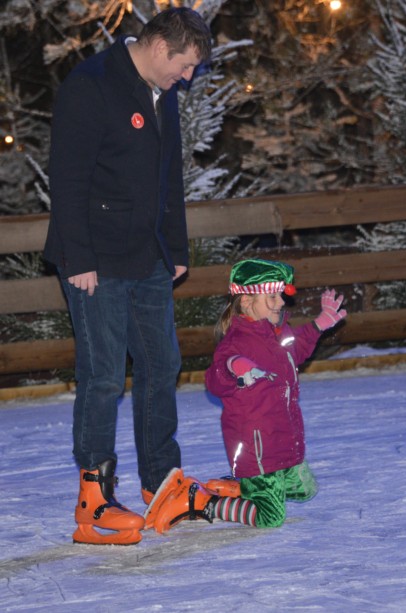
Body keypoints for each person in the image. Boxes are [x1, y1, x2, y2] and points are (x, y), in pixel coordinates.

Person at [43, 8, 213, 545]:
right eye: (185, 66)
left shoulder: (161, 93)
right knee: (102, 377)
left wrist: (177, 246)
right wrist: (79, 257)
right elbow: (67, 179)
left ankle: (162, 483)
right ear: (162, 48)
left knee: (163, 364)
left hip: (149, 258)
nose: (186, 78)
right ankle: (94, 500)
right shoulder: (90, 86)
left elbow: (168, 176)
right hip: (95, 260)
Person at [143, 258, 347, 533]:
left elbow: (295, 349)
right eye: (271, 296)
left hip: (284, 440)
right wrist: (234, 366)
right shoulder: (237, 341)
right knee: (271, 516)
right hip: (257, 448)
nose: (279, 303)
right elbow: (215, 378)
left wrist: (320, 324)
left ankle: (241, 488)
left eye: (280, 295)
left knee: (306, 489)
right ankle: (201, 502)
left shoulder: (278, 333)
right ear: (247, 301)